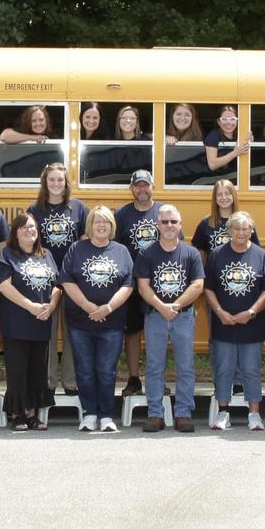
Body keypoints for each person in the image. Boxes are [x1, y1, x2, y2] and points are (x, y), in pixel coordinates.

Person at [60, 206, 134, 433]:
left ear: (112, 226)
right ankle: (89, 413)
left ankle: (106, 415)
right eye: (96, 222)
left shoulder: (121, 251)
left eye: (106, 222)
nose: (101, 226)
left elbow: (129, 284)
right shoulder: (76, 249)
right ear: (90, 225)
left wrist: (108, 307)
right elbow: (67, 280)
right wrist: (88, 306)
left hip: (111, 323)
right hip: (81, 322)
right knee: (84, 369)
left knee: (106, 369)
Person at [135, 205, 205, 433]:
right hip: (155, 317)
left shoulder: (191, 253)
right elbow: (143, 286)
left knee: (185, 367)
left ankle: (183, 413)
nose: (169, 226)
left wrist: (176, 305)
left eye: (174, 222)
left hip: (183, 317)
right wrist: (161, 306)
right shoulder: (147, 253)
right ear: (157, 225)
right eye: (165, 222)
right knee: (155, 366)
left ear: (180, 225)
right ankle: (155, 414)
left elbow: (198, 285)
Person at [204, 212, 265, 430]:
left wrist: (251, 312)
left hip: (252, 324)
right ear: (230, 231)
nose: (241, 233)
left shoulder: (261, 255)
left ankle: (254, 414)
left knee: (251, 369)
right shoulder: (216, 255)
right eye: (237, 229)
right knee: (223, 369)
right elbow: (208, 288)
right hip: (223, 322)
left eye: (246, 229)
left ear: (251, 231)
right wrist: (219, 311)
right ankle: (223, 412)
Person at [0, 214, 61, 431]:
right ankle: (18, 413)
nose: (29, 230)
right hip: (17, 322)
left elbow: (57, 284)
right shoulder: (8, 255)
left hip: (41, 322)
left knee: (37, 370)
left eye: (32, 226)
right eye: (23, 227)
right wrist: (31, 306)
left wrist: (50, 306)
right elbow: (4, 286)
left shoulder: (46, 254)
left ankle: (32, 413)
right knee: (17, 369)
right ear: (15, 232)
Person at [26, 163, 87, 397]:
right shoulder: (35, 209)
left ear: (66, 182)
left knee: (72, 333)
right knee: (47, 333)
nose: (56, 184)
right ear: (45, 182)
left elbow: (84, 245)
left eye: (60, 180)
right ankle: (49, 381)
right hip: (45, 281)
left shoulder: (78, 208)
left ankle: (71, 381)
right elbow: (30, 245)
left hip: (72, 280)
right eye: (51, 180)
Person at [115, 169, 164, 397]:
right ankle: (133, 378)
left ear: (153, 186)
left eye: (146, 185)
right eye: (137, 185)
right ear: (131, 189)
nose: (142, 189)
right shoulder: (122, 214)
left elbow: (176, 243)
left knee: (158, 333)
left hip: (160, 285)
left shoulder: (163, 212)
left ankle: (157, 378)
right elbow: (113, 249)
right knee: (132, 332)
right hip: (132, 285)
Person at [192, 179, 260, 257]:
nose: (224, 197)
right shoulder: (205, 224)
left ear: (233, 196)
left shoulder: (246, 222)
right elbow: (198, 253)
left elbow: (256, 251)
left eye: (227, 194)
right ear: (215, 198)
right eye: (219, 194)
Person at [204, 104, 251, 172]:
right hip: (216, 177)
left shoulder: (240, 134)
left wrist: (250, 139)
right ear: (218, 122)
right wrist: (235, 153)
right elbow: (212, 165)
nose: (228, 122)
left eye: (232, 119)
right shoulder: (213, 136)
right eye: (224, 119)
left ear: (237, 121)